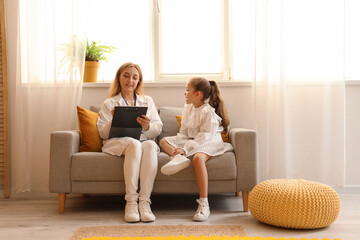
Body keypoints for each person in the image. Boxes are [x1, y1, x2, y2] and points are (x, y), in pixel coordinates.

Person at [159, 77, 233, 222]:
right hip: (192, 140)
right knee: (163, 141)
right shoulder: (188, 107)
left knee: (198, 159)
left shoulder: (208, 112)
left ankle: (204, 204)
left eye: (187, 90)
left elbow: (204, 137)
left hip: (210, 140)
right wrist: (180, 148)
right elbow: (184, 133)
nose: (185, 93)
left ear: (197, 94)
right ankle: (178, 158)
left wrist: (186, 150)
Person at [97, 62, 163, 223]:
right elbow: (102, 132)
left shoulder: (147, 101)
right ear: (119, 78)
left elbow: (158, 127)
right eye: (126, 76)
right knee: (134, 144)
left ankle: (145, 202)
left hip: (142, 141)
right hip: (116, 142)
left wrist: (147, 126)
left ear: (138, 81)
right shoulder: (110, 103)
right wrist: (113, 119)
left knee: (150, 145)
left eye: (135, 77)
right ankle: (131, 202)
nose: (130, 80)